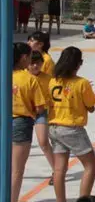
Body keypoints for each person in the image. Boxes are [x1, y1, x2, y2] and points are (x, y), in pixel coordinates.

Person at [47, 47, 95, 202]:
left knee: (59, 169)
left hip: (54, 127)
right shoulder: (81, 83)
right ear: (78, 64)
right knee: (92, 165)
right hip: (72, 128)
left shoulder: (53, 81)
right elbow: (91, 107)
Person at [11, 42, 46, 202]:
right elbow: (39, 107)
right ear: (24, 58)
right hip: (21, 122)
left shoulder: (5, 74)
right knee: (16, 170)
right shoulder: (29, 79)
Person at [27, 51, 55, 179]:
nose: (35, 66)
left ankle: (56, 170)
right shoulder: (21, 77)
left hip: (41, 112)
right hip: (23, 112)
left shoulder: (48, 79)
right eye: (32, 63)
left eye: (38, 63)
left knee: (43, 142)